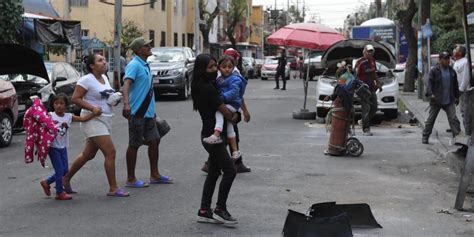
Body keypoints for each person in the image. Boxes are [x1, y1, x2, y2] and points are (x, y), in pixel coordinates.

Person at [63, 53, 129, 197]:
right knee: (110, 152)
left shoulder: (104, 78)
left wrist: (114, 98)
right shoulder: (86, 80)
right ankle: (113, 188)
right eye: (100, 61)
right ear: (92, 66)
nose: (104, 63)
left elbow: (104, 96)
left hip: (105, 118)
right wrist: (92, 108)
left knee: (88, 154)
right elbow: (75, 98)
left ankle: (64, 179)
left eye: (105, 60)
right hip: (91, 119)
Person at [192, 53, 239, 225]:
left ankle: (204, 211)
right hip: (213, 136)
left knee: (213, 173)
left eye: (214, 66)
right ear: (202, 70)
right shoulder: (208, 88)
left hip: (211, 134)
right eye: (210, 67)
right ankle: (220, 209)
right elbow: (226, 112)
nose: (214, 70)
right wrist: (235, 117)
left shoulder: (205, 85)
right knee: (230, 170)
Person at [122, 36, 172, 188]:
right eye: (146, 46)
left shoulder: (145, 65)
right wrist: (126, 104)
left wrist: (153, 111)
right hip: (137, 112)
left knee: (155, 140)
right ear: (139, 50)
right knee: (134, 144)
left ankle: (154, 175)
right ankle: (131, 178)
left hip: (148, 113)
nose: (149, 47)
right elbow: (126, 85)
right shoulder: (134, 65)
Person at [201, 48, 251, 173]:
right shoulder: (220, 75)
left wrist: (244, 110)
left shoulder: (233, 75)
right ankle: (217, 163)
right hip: (223, 107)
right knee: (226, 134)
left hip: (229, 105)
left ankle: (233, 159)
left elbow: (237, 93)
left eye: (230, 65)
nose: (227, 68)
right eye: (224, 66)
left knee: (230, 133)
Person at [39, 94, 95, 200]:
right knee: (60, 170)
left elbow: (82, 119)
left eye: (61, 103)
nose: (59, 106)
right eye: (56, 103)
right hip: (53, 147)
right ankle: (59, 192)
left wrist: (94, 114)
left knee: (65, 170)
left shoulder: (68, 116)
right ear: (53, 104)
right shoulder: (49, 115)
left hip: (63, 147)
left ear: (66, 105)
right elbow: (39, 122)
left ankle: (46, 182)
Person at [422, 51, 461, 144]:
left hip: (449, 99)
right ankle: (425, 136)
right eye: (445, 59)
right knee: (431, 119)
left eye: (448, 59)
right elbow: (429, 83)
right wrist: (431, 94)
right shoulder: (434, 71)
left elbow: (455, 85)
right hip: (437, 100)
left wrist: (457, 96)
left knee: (453, 118)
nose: (447, 61)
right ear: (440, 60)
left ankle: (458, 137)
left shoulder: (452, 71)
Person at [355, 44, 383, 136]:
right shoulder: (360, 62)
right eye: (368, 51)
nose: (370, 53)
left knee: (374, 107)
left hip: (371, 88)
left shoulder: (372, 61)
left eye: (371, 51)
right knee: (366, 108)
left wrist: (378, 83)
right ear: (364, 51)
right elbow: (355, 76)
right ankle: (366, 128)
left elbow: (374, 73)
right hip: (363, 89)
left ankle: (362, 121)